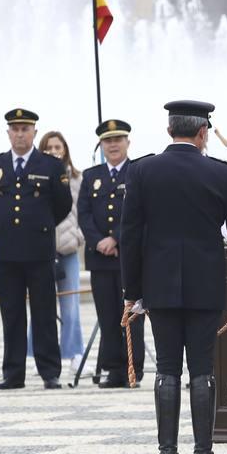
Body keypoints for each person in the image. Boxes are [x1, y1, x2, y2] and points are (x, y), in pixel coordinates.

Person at [119, 100, 227, 454]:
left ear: (169, 131)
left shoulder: (142, 169)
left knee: (166, 368)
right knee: (202, 369)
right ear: (203, 133)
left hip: (159, 285)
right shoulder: (219, 172)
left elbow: (129, 235)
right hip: (204, 283)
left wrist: (131, 290)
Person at [0, 108, 73, 390]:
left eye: (25, 129)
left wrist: (41, 224)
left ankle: (49, 371)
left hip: (40, 250)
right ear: (8, 133)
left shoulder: (51, 165)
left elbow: (63, 204)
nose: (20, 134)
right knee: (12, 314)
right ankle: (13, 372)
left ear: (34, 132)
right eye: (15, 129)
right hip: (7, 251)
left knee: (44, 313)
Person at [77, 120, 144, 388]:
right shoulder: (91, 176)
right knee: (107, 315)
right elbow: (83, 214)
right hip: (100, 257)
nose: (113, 145)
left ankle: (133, 368)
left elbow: (139, 211)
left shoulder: (137, 172)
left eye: (118, 139)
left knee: (131, 315)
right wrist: (99, 241)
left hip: (128, 257)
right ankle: (113, 369)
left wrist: (116, 238)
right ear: (101, 145)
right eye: (107, 141)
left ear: (128, 142)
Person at [37, 130, 85, 381]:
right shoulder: (37, 175)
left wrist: (77, 237)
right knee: (40, 306)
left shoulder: (77, 178)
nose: (54, 151)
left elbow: (84, 211)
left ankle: (74, 354)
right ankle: (37, 355)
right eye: (48, 147)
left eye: (58, 147)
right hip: (42, 250)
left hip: (68, 249)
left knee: (71, 306)